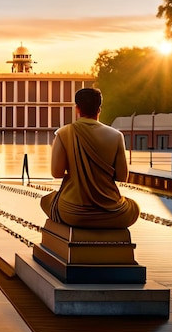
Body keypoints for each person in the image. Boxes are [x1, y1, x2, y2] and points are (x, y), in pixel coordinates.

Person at [40, 88, 140, 228]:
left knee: (46, 201)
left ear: (77, 108)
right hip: (112, 212)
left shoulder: (64, 133)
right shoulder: (116, 136)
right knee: (134, 207)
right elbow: (123, 176)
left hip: (74, 213)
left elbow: (56, 173)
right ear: (99, 109)